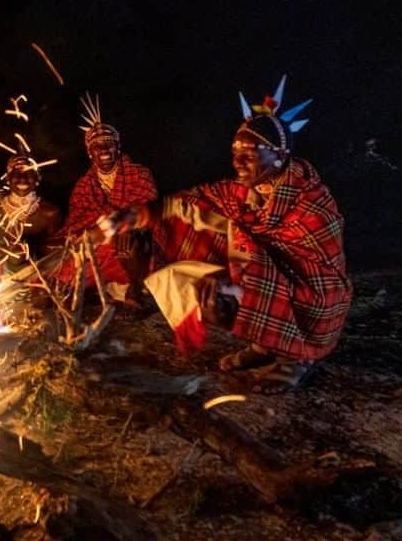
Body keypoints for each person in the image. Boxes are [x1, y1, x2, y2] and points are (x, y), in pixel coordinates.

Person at [98, 77, 352, 392]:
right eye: (235, 151)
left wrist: (238, 284)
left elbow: (319, 283)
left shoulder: (311, 203)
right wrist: (138, 214)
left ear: (279, 155)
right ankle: (264, 345)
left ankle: (295, 358)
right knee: (208, 289)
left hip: (312, 310)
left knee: (230, 280)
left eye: (250, 153)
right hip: (266, 287)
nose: (237, 161)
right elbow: (188, 203)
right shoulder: (240, 193)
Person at [57, 103, 158, 309]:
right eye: (97, 146)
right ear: (89, 152)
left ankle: (135, 288)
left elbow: (149, 212)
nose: (103, 149)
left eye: (109, 144)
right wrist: (94, 230)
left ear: (118, 147)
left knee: (127, 240)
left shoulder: (139, 174)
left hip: (136, 247)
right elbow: (77, 223)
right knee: (61, 276)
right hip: (99, 247)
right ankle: (97, 286)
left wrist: (117, 221)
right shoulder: (84, 185)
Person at [0, 155, 63, 268]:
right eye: (17, 174)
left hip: (40, 272)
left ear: (37, 179)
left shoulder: (49, 213)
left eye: (29, 174)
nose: (22, 179)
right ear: (8, 178)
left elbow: (55, 250)